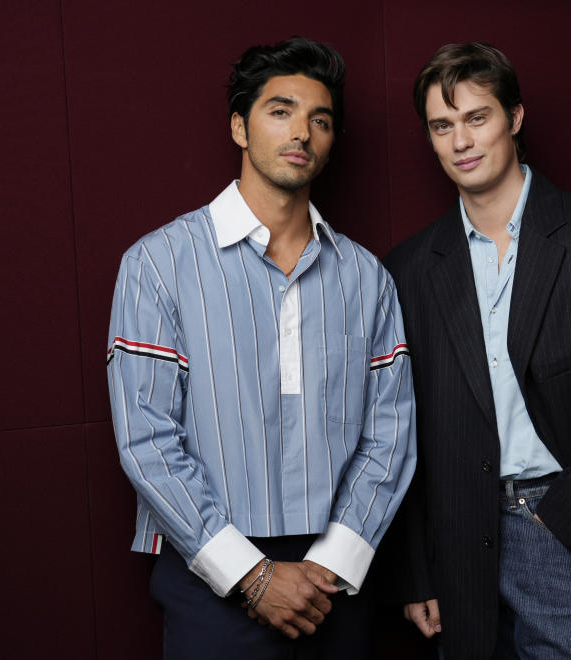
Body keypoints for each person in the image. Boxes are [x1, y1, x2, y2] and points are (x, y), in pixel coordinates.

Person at [106, 37, 416, 660]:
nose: (301, 130)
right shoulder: (159, 265)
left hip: (337, 584)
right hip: (208, 574)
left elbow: (391, 432)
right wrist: (252, 577)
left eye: (320, 119)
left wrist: (330, 566)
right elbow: (147, 439)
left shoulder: (366, 278)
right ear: (239, 127)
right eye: (280, 110)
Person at [382, 42, 571, 659]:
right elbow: (405, 430)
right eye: (442, 126)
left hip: (567, 527)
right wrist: (417, 569)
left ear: (515, 118)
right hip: (458, 546)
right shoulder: (411, 268)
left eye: (477, 118)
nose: (460, 141)